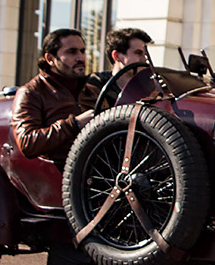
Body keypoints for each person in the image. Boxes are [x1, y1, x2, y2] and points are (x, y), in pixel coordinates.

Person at [11, 28, 95, 167]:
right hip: (61, 176)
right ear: (50, 59)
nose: (80, 58)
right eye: (72, 52)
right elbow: (27, 143)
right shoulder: (31, 92)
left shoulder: (92, 91)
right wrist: (74, 124)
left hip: (99, 171)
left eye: (82, 51)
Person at [81, 27, 152, 110]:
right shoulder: (96, 85)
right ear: (116, 56)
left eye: (145, 54)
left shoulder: (149, 87)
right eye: (138, 53)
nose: (144, 59)